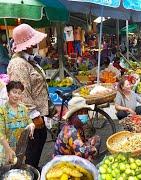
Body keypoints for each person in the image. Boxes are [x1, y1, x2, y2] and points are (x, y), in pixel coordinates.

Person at [7, 24, 50, 169]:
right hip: (30, 118)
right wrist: (35, 115)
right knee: (30, 152)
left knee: (37, 146)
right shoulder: (18, 64)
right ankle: (29, 172)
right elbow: (21, 94)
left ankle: (32, 170)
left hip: (37, 114)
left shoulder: (27, 59)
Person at [54, 97, 100, 162]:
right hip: (64, 162)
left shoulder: (77, 126)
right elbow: (82, 152)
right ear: (74, 115)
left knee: (96, 139)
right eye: (81, 113)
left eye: (86, 112)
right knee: (89, 156)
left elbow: (83, 140)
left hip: (72, 153)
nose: (85, 115)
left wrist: (90, 144)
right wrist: (93, 149)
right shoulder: (71, 132)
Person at [0, 81, 35, 165]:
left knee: (17, 172)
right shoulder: (2, 110)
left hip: (20, 149)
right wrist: (8, 149)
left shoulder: (23, 108)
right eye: (14, 92)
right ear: (8, 93)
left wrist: (31, 126)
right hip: (5, 149)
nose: (16, 95)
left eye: (19, 93)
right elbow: (0, 133)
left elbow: (29, 121)